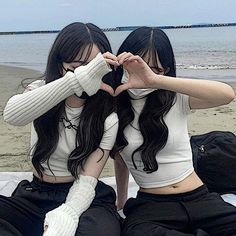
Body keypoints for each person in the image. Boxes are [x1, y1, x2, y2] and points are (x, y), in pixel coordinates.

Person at [112, 27, 236, 236]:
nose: (144, 73)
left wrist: (155, 81)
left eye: (155, 69)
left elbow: (226, 94)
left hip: (199, 197)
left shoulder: (175, 98)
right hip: (152, 204)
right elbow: (120, 156)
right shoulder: (114, 106)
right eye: (138, 65)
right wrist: (122, 198)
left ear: (166, 71)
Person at [0, 22, 121, 236]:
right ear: (59, 63)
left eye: (95, 67)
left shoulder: (106, 115)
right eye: (78, 66)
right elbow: (12, 115)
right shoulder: (41, 91)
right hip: (36, 194)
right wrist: (74, 82)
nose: (88, 75)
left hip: (82, 196)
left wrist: (68, 213)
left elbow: (87, 180)